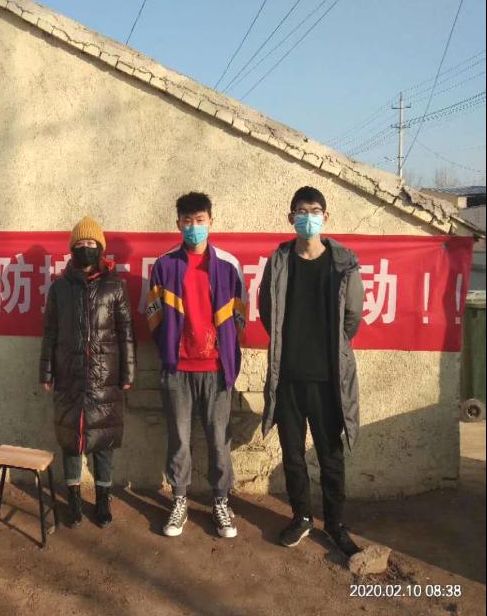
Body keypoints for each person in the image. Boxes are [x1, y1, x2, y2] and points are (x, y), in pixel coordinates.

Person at [258, 186, 364, 557]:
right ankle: (301, 516)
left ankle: (335, 523)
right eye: (301, 212)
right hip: (287, 378)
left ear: (325, 217)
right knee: (292, 455)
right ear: (291, 218)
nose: (308, 217)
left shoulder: (342, 263)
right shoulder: (279, 261)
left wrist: (331, 348)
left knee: (330, 455)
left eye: (314, 211)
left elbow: (352, 316)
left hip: (327, 380)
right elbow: (267, 311)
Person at [146, 192, 246, 538]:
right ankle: (179, 500)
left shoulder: (229, 266)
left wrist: (227, 354)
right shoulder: (164, 266)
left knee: (219, 441)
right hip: (178, 372)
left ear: (211, 222)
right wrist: (170, 352)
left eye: (200, 220)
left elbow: (240, 318)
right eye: (187, 221)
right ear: (178, 224)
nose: (194, 227)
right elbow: (153, 317)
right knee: (179, 440)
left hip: (217, 371)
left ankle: (221, 501)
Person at [39, 216, 136, 528]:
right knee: (70, 441)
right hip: (69, 375)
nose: (85, 248)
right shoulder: (59, 289)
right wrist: (46, 372)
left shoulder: (115, 287)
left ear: (100, 248)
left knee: (103, 443)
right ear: (71, 249)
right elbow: (50, 333)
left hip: (104, 377)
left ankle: (104, 499)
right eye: (79, 243)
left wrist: (128, 373)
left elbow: (126, 333)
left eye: (91, 243)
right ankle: (74, 499)